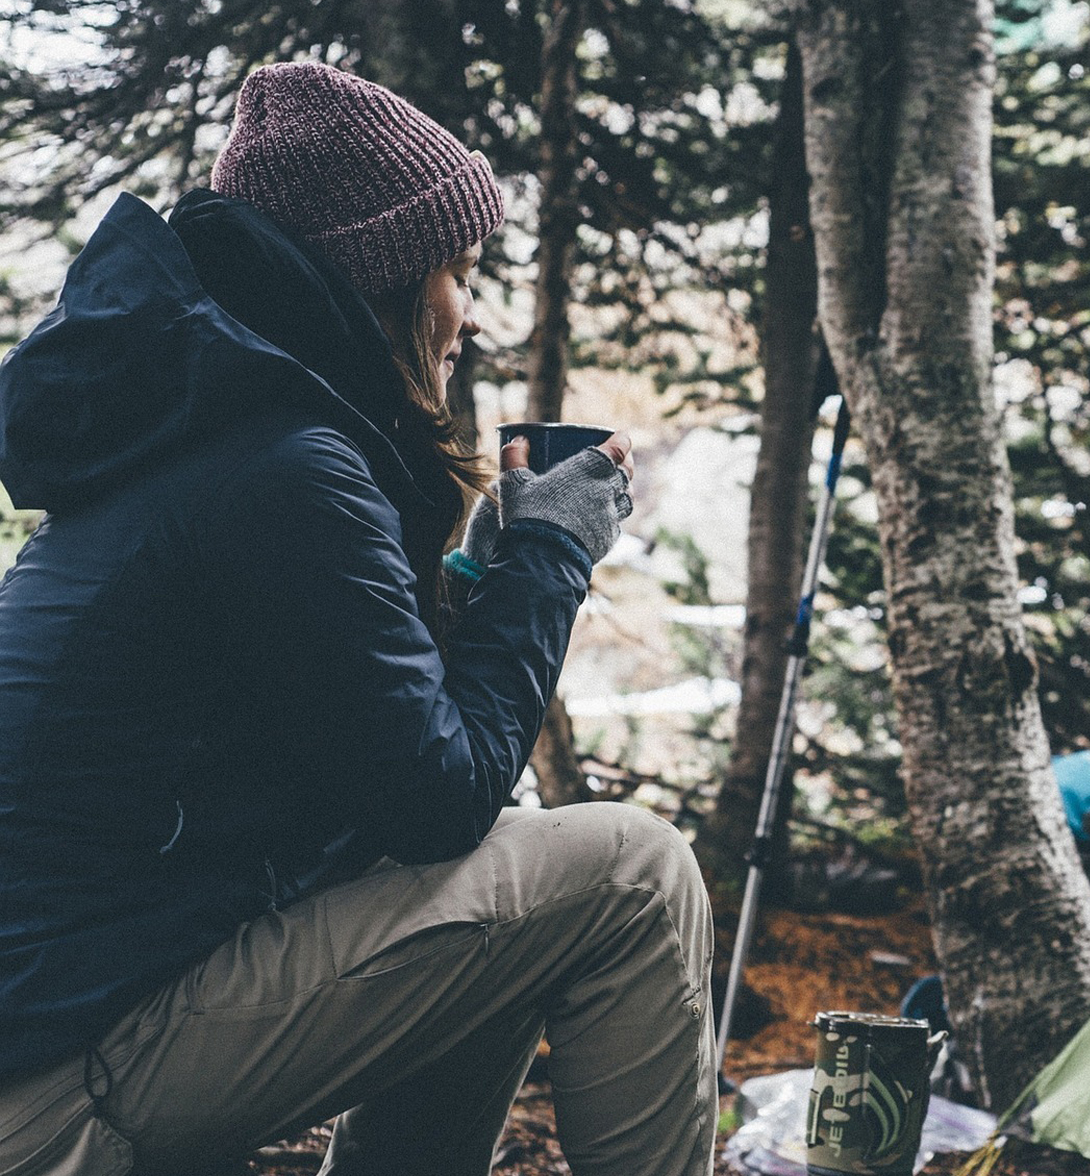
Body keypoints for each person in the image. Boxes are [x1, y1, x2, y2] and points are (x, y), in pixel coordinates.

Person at [0, 62, 716, 1175]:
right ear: (379, 279)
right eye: (458, 274)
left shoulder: (200, 437)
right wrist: (551, 556)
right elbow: (435, 800)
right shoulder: (288, 466)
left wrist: (473, 585)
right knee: (631, 871)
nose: (466, 319)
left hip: (57, 1031)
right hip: (63, 1084)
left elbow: (370, 774)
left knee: (509, 901)